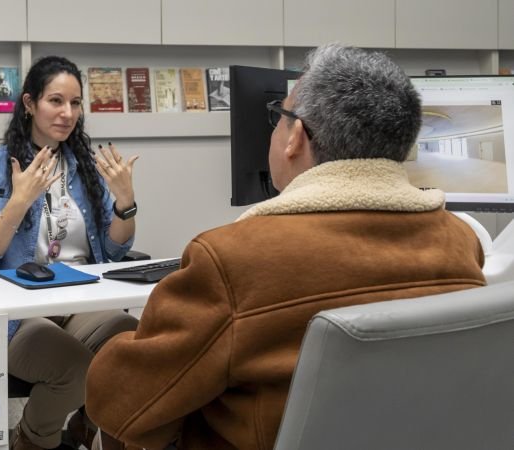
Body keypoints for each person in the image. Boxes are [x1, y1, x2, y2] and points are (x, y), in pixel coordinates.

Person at [85, 43, 486, 450]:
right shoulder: (460, 241)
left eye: (278, 117)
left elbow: (120, 404)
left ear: (295, 137)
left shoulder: (234, 259)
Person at [0, 55, 140, 450]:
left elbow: (114, 249)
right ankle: (30, 439)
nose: (67, 113)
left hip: (80, 299)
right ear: (29, 104)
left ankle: (89, 427)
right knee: (76, 370)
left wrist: (125, 203)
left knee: (131, 346)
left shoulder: (83, 167)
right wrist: (18, 203)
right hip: (21, 311)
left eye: (75, 103)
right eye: (56, 101)